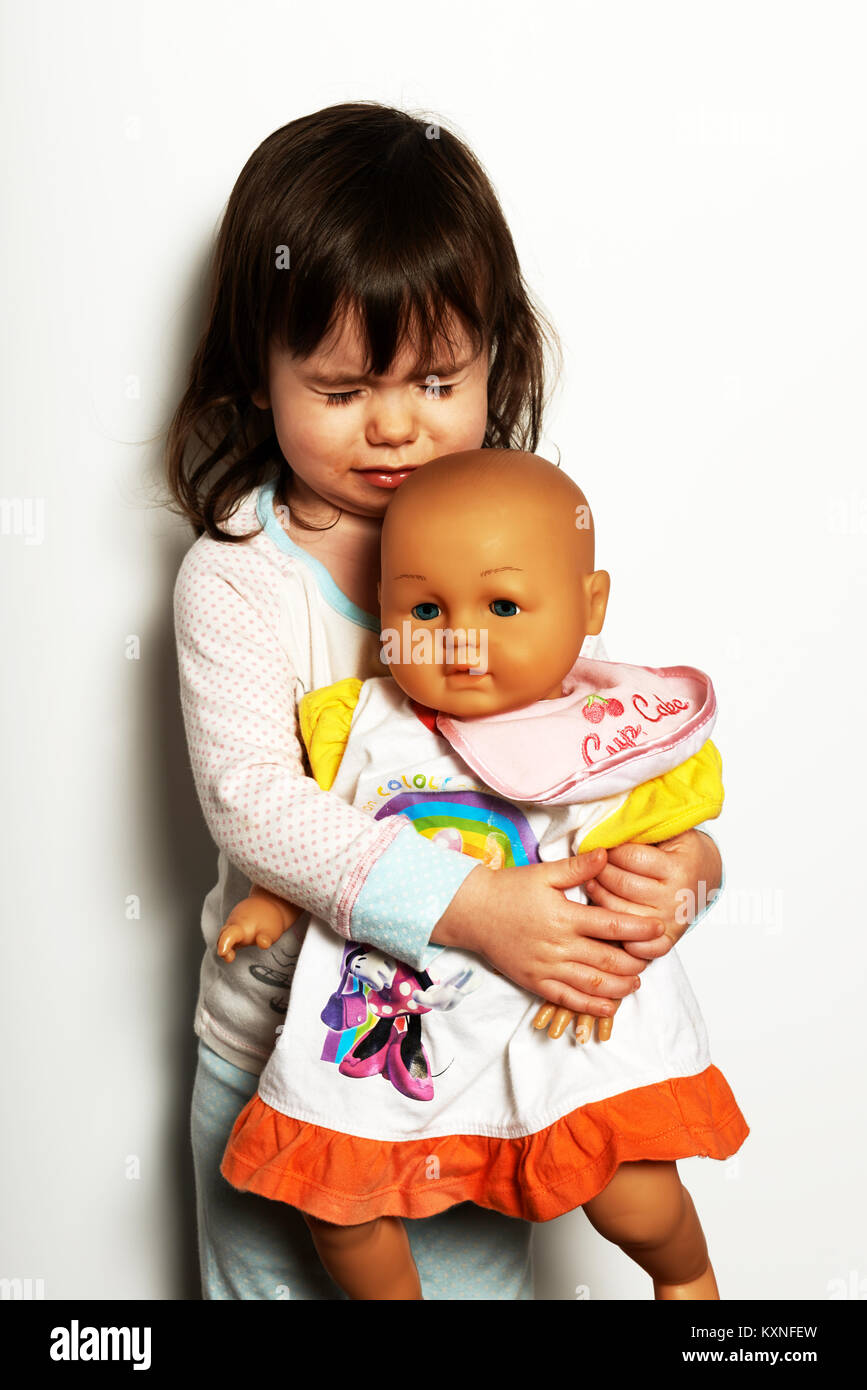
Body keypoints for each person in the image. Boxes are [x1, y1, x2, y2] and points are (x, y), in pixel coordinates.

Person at [167, 103, 724, 1300]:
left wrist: (682, 870)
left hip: (482, 1061)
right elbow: (255, 803)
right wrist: (472, 906)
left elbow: (599, 766)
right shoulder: (241, 579)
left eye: (435, 379)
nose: (397, 426)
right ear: (256, 375)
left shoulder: (518, 547)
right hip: (282, 1053)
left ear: (494, 363)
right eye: (341, 386)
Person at [219, 450, 748, 1301]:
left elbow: (674, 850)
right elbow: (312, 831)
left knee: (633, 1199)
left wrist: (685, 878)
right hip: (394, 1020)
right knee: (341, 1211)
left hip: (556, 1020)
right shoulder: (358, 723)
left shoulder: (598, 730)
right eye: (424, 608)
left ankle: (685, 1279)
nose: (459, 640)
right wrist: (269, 902)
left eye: (502, 605)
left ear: (588, 608)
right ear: (381, 604)